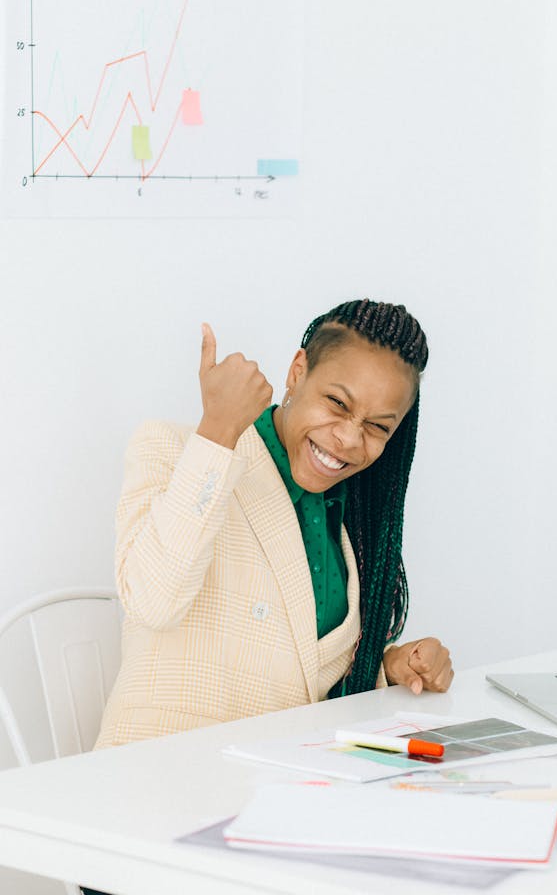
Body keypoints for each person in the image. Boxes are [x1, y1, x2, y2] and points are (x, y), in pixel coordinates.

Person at [94, 298, 453, 751]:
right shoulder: (177, 448)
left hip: (280, 786)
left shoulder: (349, 520)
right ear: (298, 371)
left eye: (378, 427)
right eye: (337, 403)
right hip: (162, 780)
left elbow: (300, 667)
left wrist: (390, 665)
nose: (348, 438)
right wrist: (219, 431)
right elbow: (152, 601)